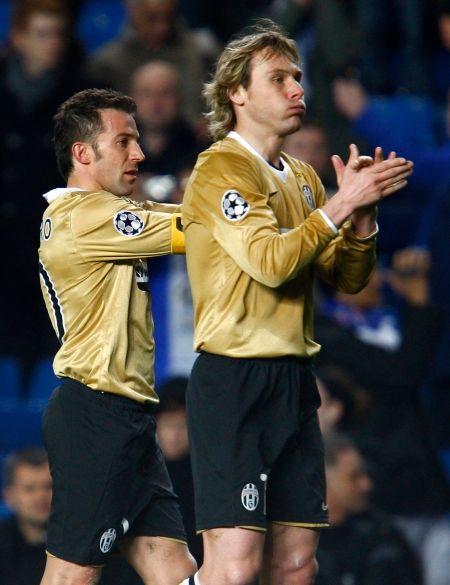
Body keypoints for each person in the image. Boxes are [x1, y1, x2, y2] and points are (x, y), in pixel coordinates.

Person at [181, 19, 413, 585]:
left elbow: (346, 278)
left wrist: (361, 216)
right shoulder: (220, 168)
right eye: (278, 78)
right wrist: (341, 203)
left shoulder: (305, 179)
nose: (297, 90)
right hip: (234, 381)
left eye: (298, 78)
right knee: (234, 570)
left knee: (296, 566)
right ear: (236, 91)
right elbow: (271, 262)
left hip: (293, 379)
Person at [38, 88, 196, 585]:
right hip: (98, 416)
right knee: (70, 576)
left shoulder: (102, 216)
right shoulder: (84, 216)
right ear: (82, 153)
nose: (140, 154)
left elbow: (183, 222)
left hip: (127, 416)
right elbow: (194, 230)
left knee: (174, 571)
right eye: (124, 141)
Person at [0, 0, 92, 372]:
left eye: (57, 34)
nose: (52, 43)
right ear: (18, 38)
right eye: (41, 34)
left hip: (51, 244)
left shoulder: (81, 96)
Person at [316, 432, 424, 585]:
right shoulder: (300, 552)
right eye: (354, 477)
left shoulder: (382, 533)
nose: (367, 484)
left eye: (364, 474)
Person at [156, 376, 203, 564]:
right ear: (155, 425)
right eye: (168, 424)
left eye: (182, 425)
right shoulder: (141, 476)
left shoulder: (206, 480)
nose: (175, 434)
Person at [0, 447, 52, 585]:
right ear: (9, 496)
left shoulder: (82, 544)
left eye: (48, 486)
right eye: (30, 488)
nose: (41, 496)